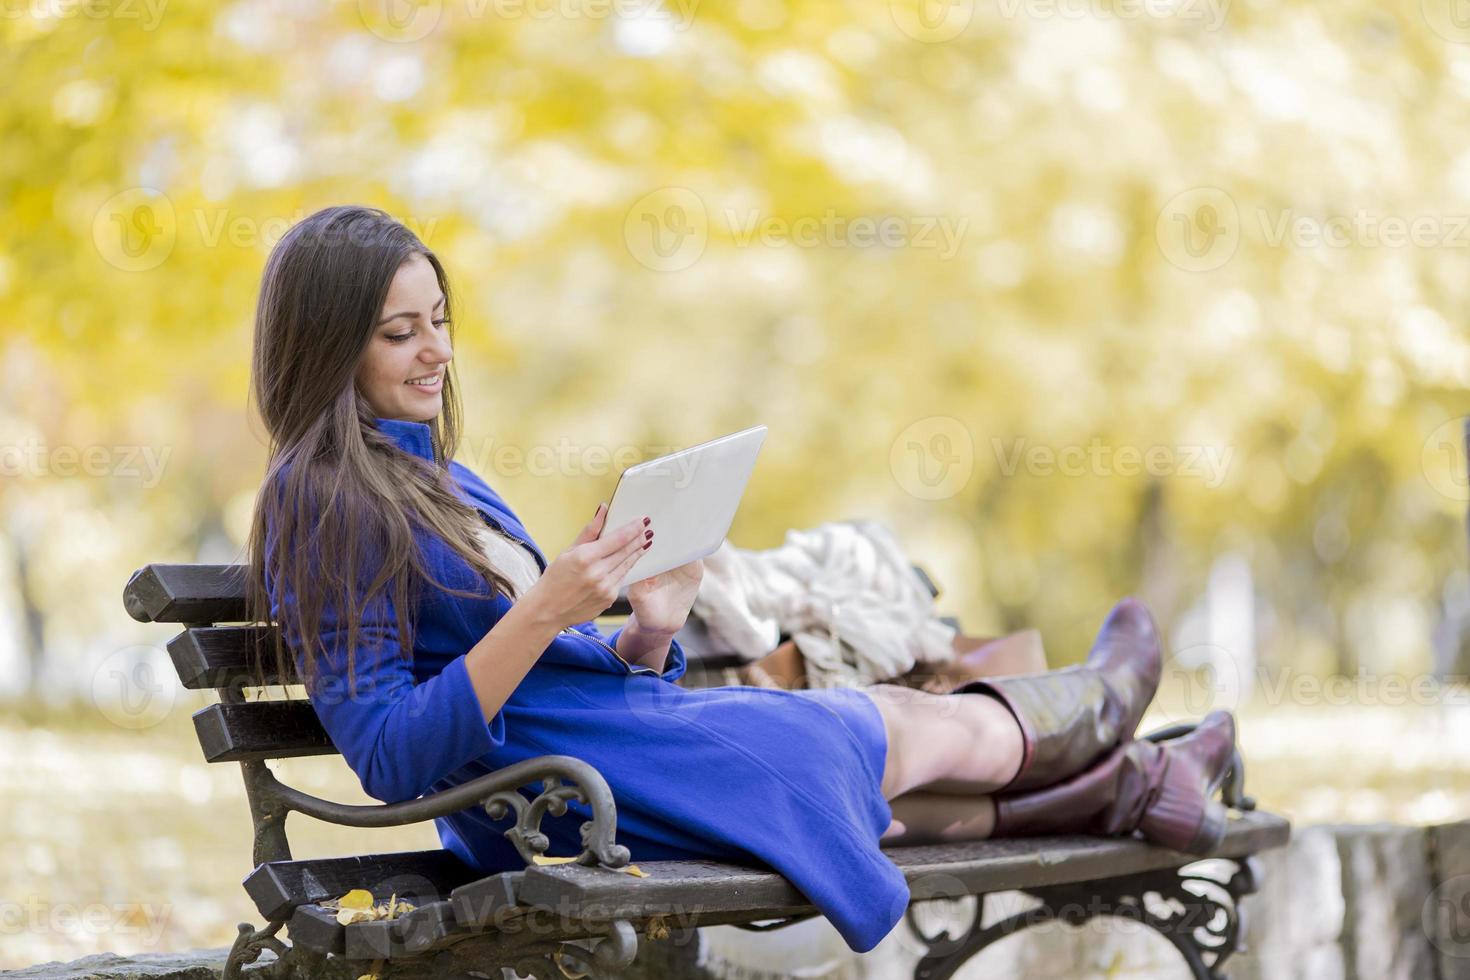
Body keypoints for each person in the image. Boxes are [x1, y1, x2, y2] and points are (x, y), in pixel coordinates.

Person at [244, 205, 1239, 955]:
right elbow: (387, 752)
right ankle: (1113, 709)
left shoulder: (428, 476)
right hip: (562, 787)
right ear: (330, 343)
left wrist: (645, 628)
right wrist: (550, 604)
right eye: (400, 331)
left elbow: (531, 664)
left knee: (898, 787)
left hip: (588, 760)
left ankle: (1141, 781)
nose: (438, 351)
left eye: (440, 320)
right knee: (897, 726)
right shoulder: (324, 498)